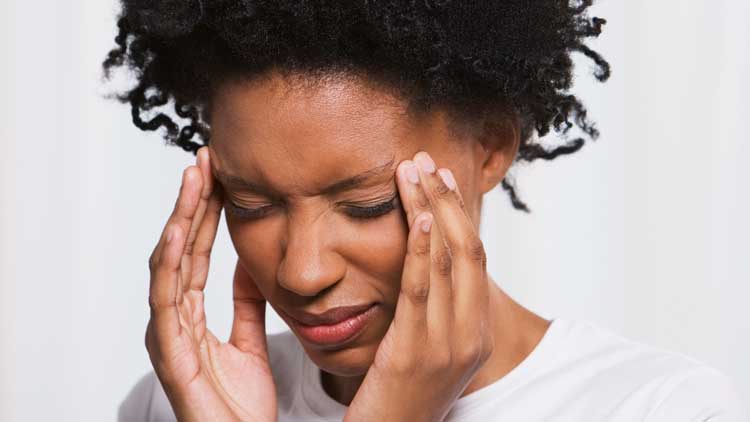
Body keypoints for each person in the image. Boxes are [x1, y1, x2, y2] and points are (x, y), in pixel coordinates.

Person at [103, 1, 746, 421]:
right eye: (252, 203)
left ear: (490, 147)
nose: (300, 273)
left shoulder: (660, 408)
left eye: (366, 204)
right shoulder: (181, 403)